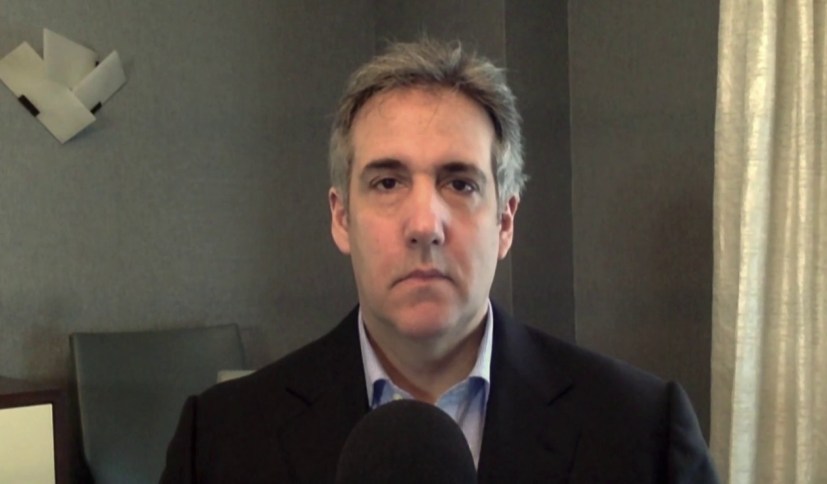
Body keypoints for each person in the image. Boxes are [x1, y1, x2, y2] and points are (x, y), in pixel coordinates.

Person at [160, 38, 718, 483]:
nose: (425, 224)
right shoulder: (220, 441)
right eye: (387, 182)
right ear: (341, 218)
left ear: (505, 222)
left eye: (459, 183)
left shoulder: (641, 430)